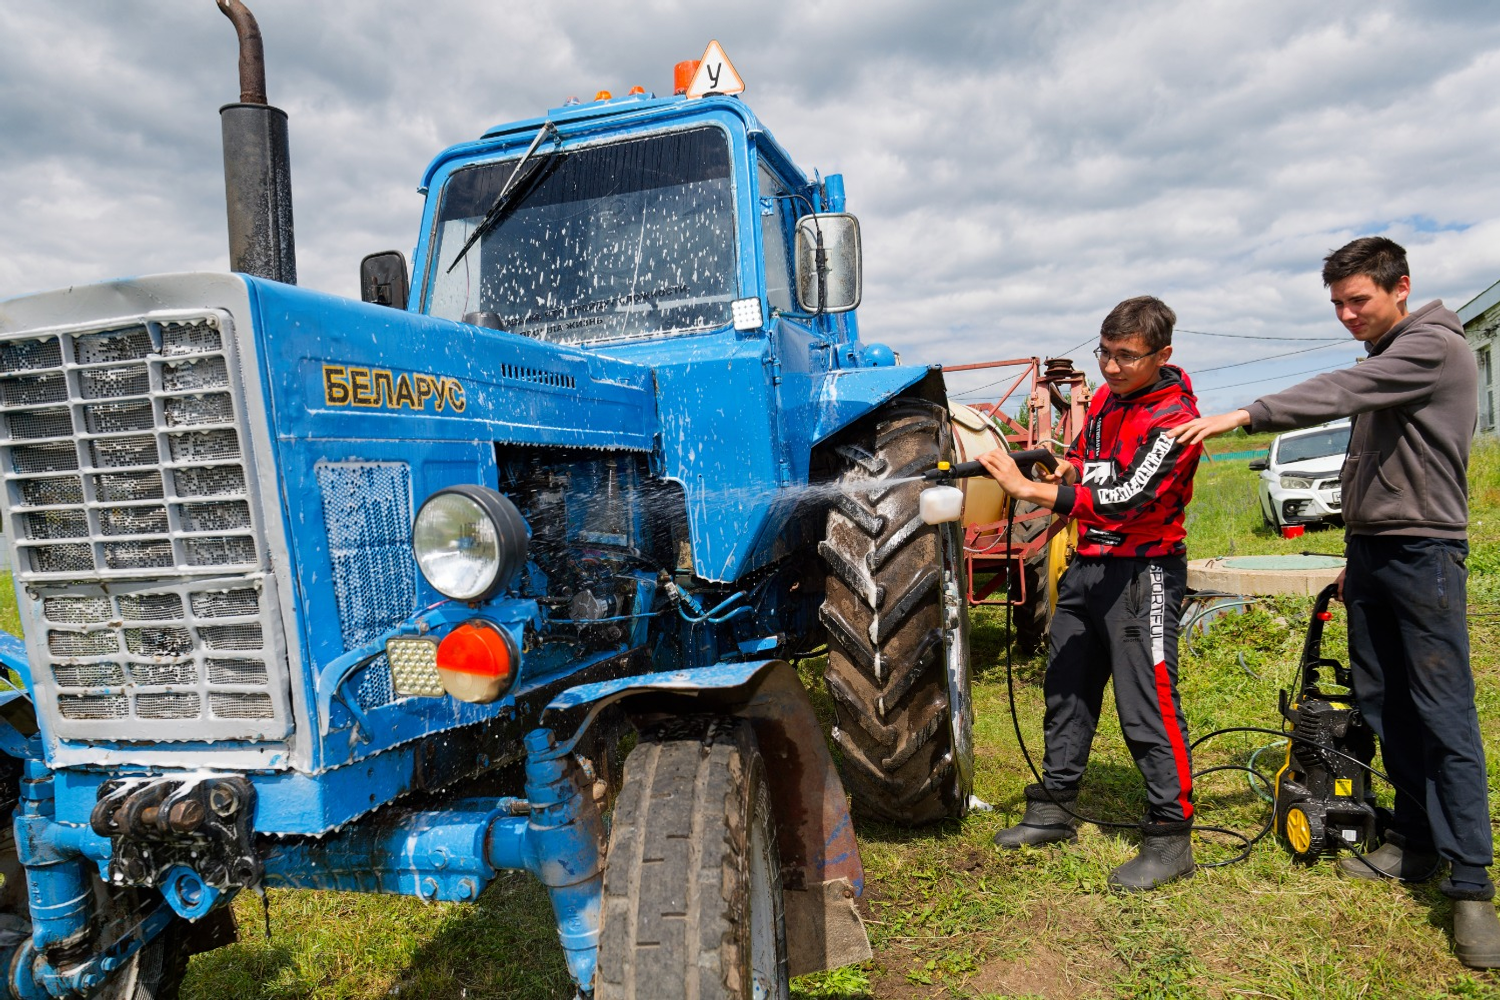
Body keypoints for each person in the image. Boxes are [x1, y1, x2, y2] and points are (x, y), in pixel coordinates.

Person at [1169, 236, 1499, 968]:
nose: (1348, 314)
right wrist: (1355, 558)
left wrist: (1244, 415)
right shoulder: (1385, 357)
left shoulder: (1432, 347)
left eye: (1361, 300)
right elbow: (1372, 462)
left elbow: (1336, 396)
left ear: (1401, 287)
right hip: (1376, 555)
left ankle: (1473, 887)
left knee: (1443, 714)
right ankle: (1413, 843)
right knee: (1383, 706)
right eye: (1339, 304)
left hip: (1425, 554)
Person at [980, 295, 1203, 891]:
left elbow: (1129, 495)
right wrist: (1064, 470)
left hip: (1144, 572)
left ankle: (1169, 835)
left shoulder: (1176, 420)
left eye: (1126, 357)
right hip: (1089, 564)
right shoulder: (1106, 399)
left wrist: (1032, 492)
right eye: (1104, 352)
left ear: (1163, 354)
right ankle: (1055, 806)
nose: (1109, 367)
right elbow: (1088, 461)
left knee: (1146, 702)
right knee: (1067, 685)